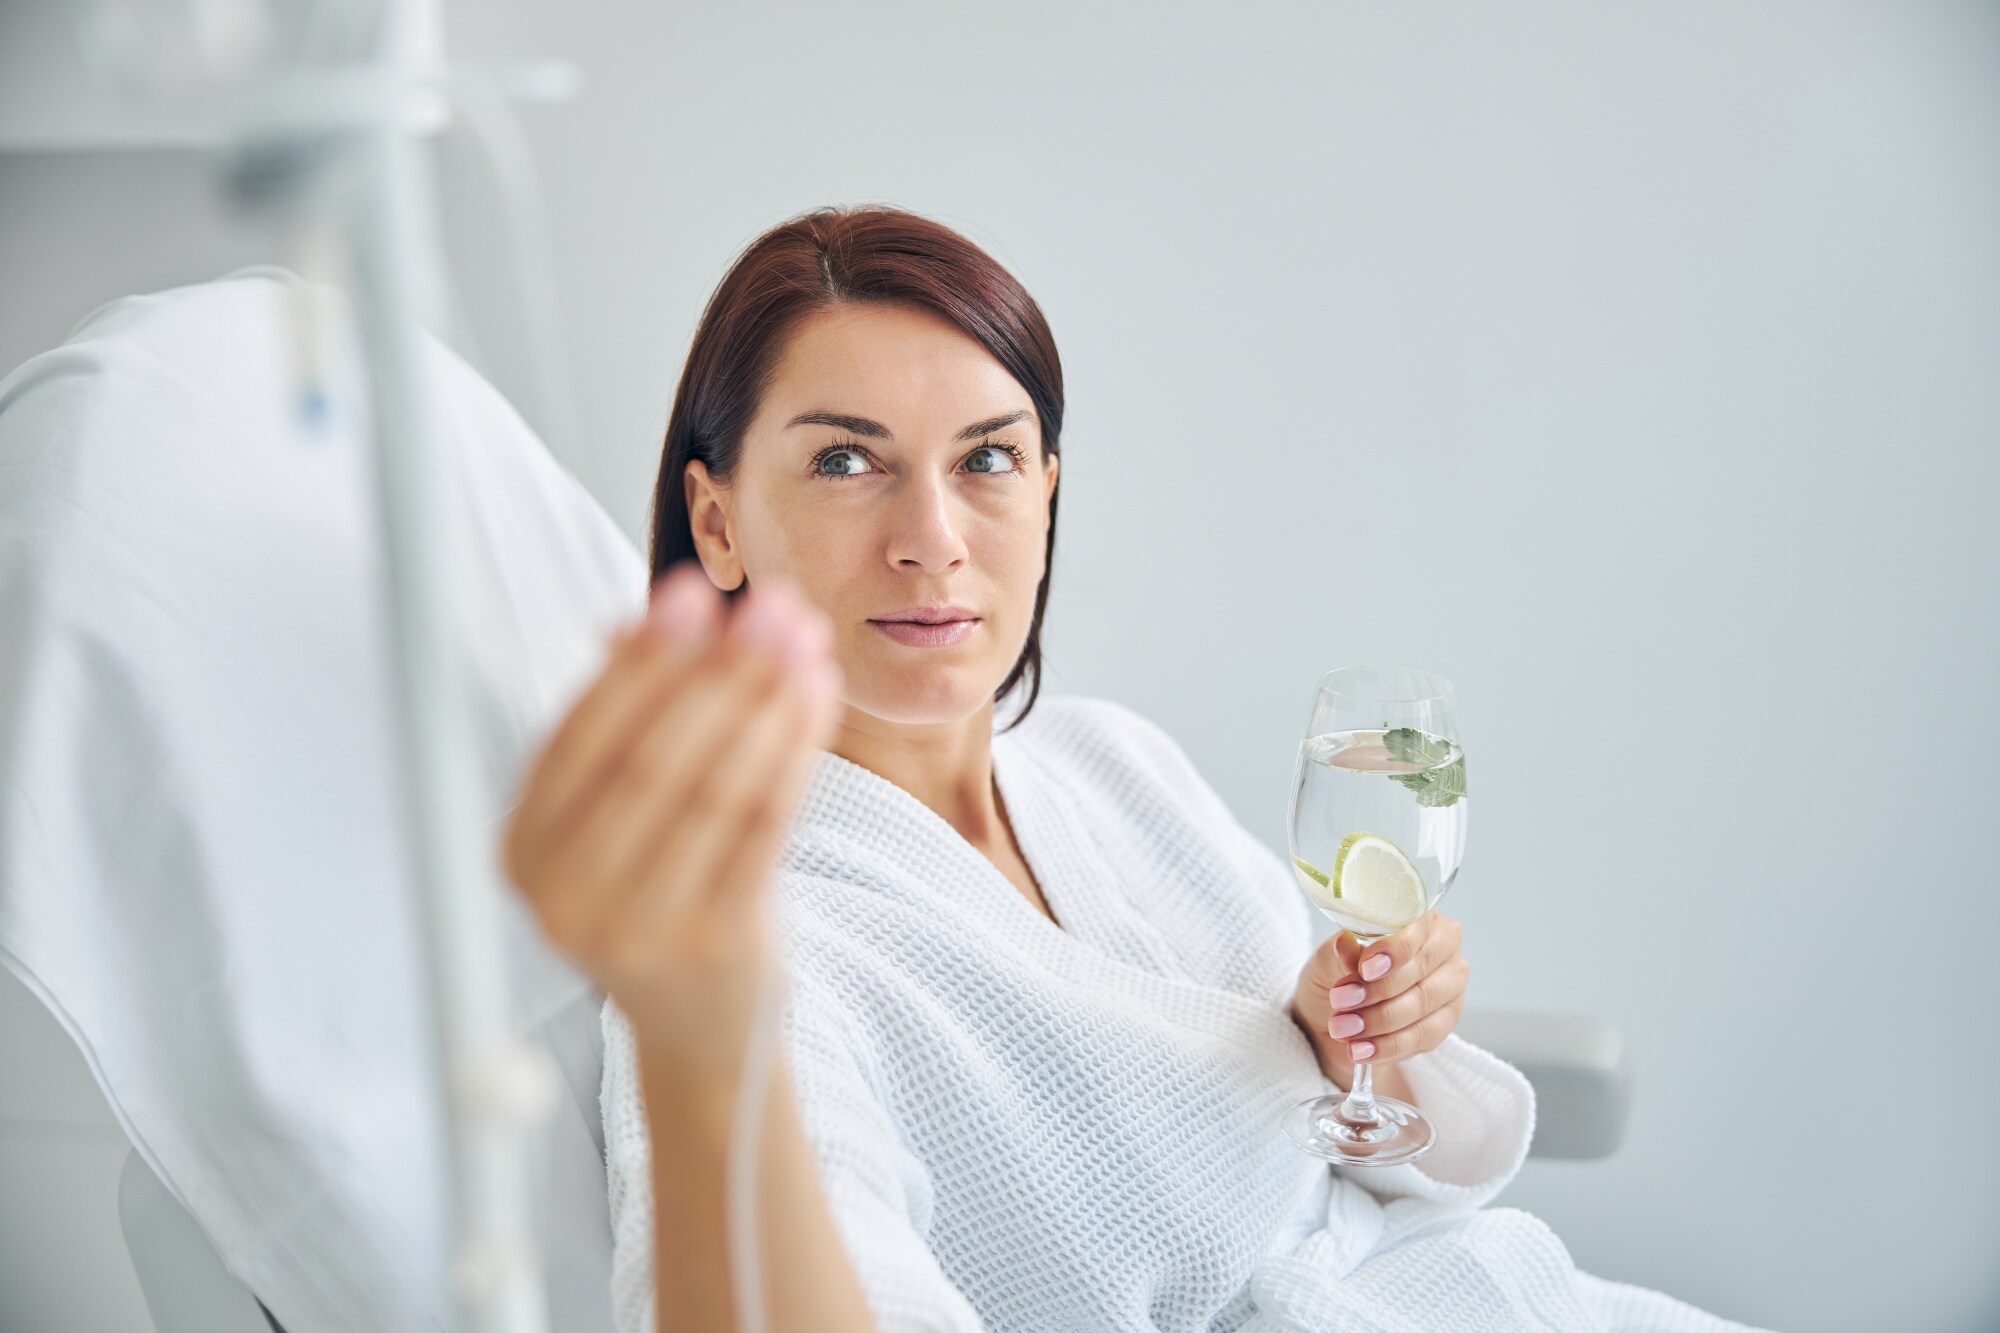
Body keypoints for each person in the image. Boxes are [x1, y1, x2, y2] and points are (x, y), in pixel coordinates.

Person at [500, 206, 1766, 1333]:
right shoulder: (755, 946)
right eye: (845, 461)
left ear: (1046, 491)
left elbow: (1368, 1176)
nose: (930, 540)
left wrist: (1346, 1044)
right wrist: (704, 1038)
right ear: (714, 520)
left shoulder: (1111, 766)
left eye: (987, 459)